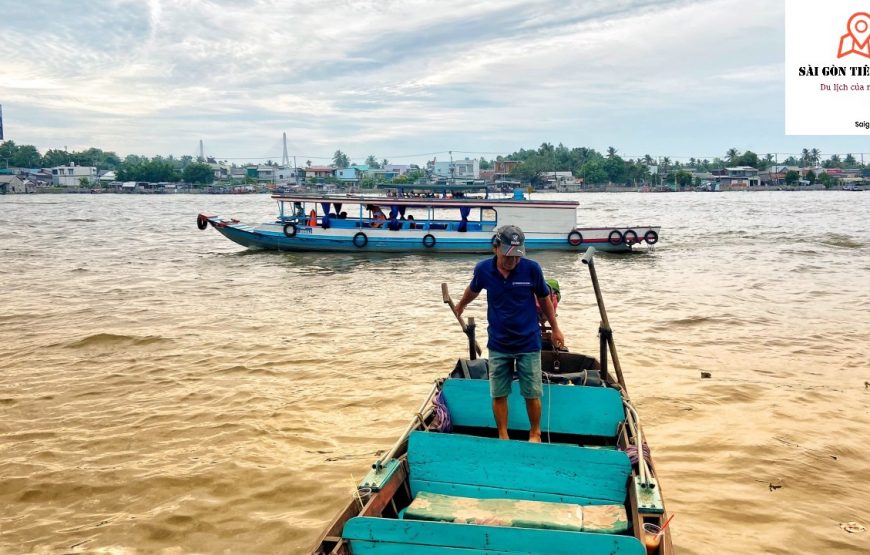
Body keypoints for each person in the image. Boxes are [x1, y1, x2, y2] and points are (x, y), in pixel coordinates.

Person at [455, 225, 564, 443]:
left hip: (528, 341)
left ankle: (535, 433)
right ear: (495, 248)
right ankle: (502, 434)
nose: (513, 261)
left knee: (532, 392)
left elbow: (544, 299)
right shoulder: (483, 270)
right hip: (498, 342)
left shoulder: (532, 269)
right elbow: (473, 289)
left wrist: (556, 328)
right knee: (498, 392)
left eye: (517, 256)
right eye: (508, 256)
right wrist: (461, 305)